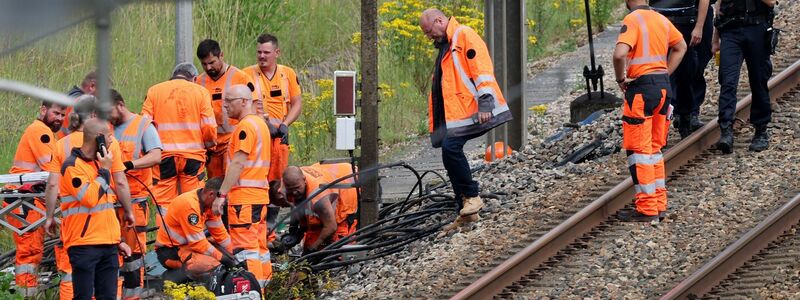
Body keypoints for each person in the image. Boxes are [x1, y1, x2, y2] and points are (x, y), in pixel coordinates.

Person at [418, 8, 512, 227]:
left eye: (429, 31)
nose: (428, 36)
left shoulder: (463, 35)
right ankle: (465, 208)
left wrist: (486, 102)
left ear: (439, 20)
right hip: (460, 113)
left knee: (451, 149)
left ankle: (471, 198)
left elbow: (482, 69)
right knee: (449, 152)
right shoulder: (448, 44)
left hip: (474, 109)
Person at [43, 95, 132, 299]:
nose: (112, 138)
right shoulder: (77, 163)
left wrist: (49, 216)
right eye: (108, 134)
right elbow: (115, 185)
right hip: (83, 239)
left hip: (105, 238)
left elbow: (52, 185)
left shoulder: (61, 145)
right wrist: (128, 210)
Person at [613, 0, 687, 221]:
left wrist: (620, 79)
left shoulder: (632, 19)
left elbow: (619, 54)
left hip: (641, 90)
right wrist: (665, 72)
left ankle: (646, 209)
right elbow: (681, 46)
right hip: (663, 88)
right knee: (655, 149)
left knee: (639, 151)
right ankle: (658, 204)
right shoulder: (661, 19)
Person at [210, 84, 272, 287]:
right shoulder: (260, 124)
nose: (224, 105)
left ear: (244, 102)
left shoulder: (245, 127)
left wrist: (221, 195)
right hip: (259, 196)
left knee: (246, 251)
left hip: (244, 200)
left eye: (229, 101)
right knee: (260, 249)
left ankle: (251, 292)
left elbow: (238, 162)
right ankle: (264, 289)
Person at [6, 100, 66, 297]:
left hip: (26, 198)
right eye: (56, 113)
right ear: (43, 110)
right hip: (25, 199)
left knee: (31, 251)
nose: (60, 118)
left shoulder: (41, 131)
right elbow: (53, 171)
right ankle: (26, 295)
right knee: (29, 251)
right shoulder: (40, 132)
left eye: (62, 115)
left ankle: (26, 293)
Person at [108, 89, 162, 299]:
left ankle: (132, 296)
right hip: (110, 203)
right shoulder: (107, 127)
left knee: (133, 258)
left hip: (135, 202)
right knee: (111, 256)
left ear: (120, 104)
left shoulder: (143, 126)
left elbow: (156, 155)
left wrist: (129, 164)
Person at [142, 63, 217, 214]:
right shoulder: (201, 92)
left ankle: (165, 235)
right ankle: (192, 233)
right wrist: (210, 146)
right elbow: (208, 127)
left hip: (163, 157)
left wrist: (149, 152)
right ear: (194, 78)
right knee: (193, 200)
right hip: (193, 158)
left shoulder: (154, 91)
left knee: (163, 203)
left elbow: (144, 124)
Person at [712, 0, 776, 153]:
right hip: (730, 31)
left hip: (757, 28)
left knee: (758, 80)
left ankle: (761, 130)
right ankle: (726, 130)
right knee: (728, 80)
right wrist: (715, 38)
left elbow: (771, 3)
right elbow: (719, 12)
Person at [243, 33, 302, 183]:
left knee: (277, 181)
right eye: (259, 52)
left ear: (277, 53)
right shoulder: (246, 74)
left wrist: (285, 124)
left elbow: (297, 103)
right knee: (256, 177)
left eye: (266, 52)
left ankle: (274, 206)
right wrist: (264, 124)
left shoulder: (287, 74)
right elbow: (243, 106)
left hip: (279, 137)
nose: (262, 56)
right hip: (257, 137)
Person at [194, 39, 256, 179]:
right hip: (212, 147)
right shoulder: (198, 82)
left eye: (212, 62)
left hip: (233, 143)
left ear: (221, 55)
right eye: (204, 64)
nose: (208, 68)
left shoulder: (240, 78)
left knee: (232, 183)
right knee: (214, 187)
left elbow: (253, 111)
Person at [155, 177, 234, 282]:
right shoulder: (190, 205)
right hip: (170, 252)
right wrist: (223, 259)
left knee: (221, 254)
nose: (223, 203)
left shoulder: (210, 205)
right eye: (222, 199)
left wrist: (235, 256)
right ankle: (170, 279)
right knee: (214, 264)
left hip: (187, 246)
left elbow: (221, 235)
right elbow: (198, 244)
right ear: (211, 194)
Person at [650, 0, 711, 138]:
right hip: (658, 19)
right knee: (661, 76)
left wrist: (699, 26)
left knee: (686, 73)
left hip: (686, 20)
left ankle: (686, 116)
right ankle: (661, 128)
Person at [274, 163, 358, 254]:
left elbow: (331, 226)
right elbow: (296, 206)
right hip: (326, 175)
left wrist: (314, 247)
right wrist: (294, 232)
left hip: (347, 185)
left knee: (334, 253)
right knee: (309, 246)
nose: (294, 192)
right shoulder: (287, 182)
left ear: (304, 180)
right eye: (291, 190)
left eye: (297, 188)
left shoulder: (319, 197)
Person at [60, 71, 98, 139]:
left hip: (61, 144)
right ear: (92, 86)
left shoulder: (70, 97)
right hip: (73, 145)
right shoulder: (82, 103)